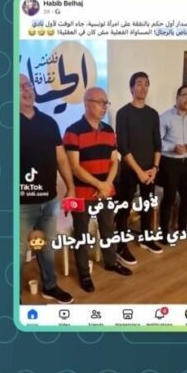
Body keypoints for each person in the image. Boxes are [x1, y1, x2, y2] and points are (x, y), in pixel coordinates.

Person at [63, 87, 132, 293]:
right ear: (87, 103)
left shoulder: (109, 131)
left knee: (108, 228)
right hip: (81, 194)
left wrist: (107, 184)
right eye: (100, 102)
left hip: (106, 192)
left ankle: (110, 262)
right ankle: (84, 273)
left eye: (106, 103)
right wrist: (99, 185)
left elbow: (114, 161)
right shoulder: (73, 131)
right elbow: (74, 167)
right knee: (82, 234)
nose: (104, 107)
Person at [19, 74, 75, 304]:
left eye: (28, 85)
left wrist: (71, 188)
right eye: (20, 87)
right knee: (18, 253)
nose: (26, 90)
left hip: (49, 200)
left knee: (47, 248)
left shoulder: (49, 122)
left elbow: (61, 158)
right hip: (21, 204)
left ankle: (50, 286)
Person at [114, 72, 163, 264]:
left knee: (147, 206)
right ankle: (121, 246)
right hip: (129, 170)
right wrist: (139, 171)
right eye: (139, 83)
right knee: (124, 208)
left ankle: (146, 239)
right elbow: (123, 147)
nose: (143, 87)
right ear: (131, 88)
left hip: (150, 170)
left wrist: (155, 168)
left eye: (146, 84)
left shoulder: (153, 114)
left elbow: (157, 143)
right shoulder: (123, 113)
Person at [159, 85, 187, 243]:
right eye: (185, 95)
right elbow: (157, 142)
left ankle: (182, 227)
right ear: (177, 97)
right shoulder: (165, 117)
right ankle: (164, 232)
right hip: (169, 163)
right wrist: (173, 147)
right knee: (169, 198)